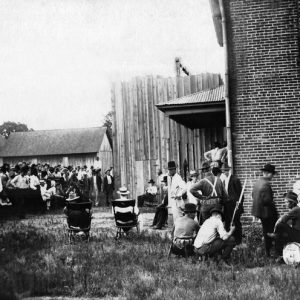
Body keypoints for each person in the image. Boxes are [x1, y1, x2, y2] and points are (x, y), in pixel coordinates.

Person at [252, 163, 278, 257]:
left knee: (265, 230)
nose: (272, 176)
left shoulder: (257, 182)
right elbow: (268, 200)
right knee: (269, 231)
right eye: (272, 174)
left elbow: (252, 195)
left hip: (260, 211)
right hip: (266, 212)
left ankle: (268, 250)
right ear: (267, 173)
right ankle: (269, 251)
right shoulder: (266, 185)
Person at [268, 192, 300, 262]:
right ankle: (281, 256)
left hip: (298, 235)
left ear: (292, 202)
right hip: (296, 233)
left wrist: (275, 230)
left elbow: (281, 220)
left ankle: (279, 255)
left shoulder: (295, 210)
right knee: (280, 235)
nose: (285, 204)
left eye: (286, 202)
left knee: (280, 226)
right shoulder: (296, 209)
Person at [221, 163, 244, 245]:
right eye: (223, 172)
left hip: (235, 205)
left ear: (229, 170)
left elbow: (240, 194)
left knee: (236, 222)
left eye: (226, 171)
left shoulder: (235, 180)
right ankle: (231, 241)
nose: (225, 173)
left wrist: (239, 204)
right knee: (228, 222)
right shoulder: (224, 180)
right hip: (227, 206)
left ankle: (238, 241)